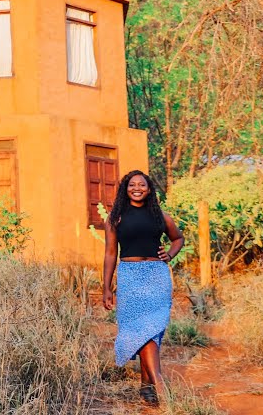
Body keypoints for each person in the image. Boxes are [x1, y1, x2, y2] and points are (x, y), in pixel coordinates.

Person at [101, 169, 184, 406]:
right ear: (125, 189)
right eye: (131, 185)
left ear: (149, 190)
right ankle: (156, 382)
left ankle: (148, 385)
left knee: (153, 328)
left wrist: (169, 254)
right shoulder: (115, 218)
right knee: (140, 329)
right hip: (130, 277)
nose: (137, 188)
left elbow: (178, 238)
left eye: (142, 185)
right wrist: (106, 287)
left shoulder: (160, 216)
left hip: (157, 276)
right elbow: (109, 254)